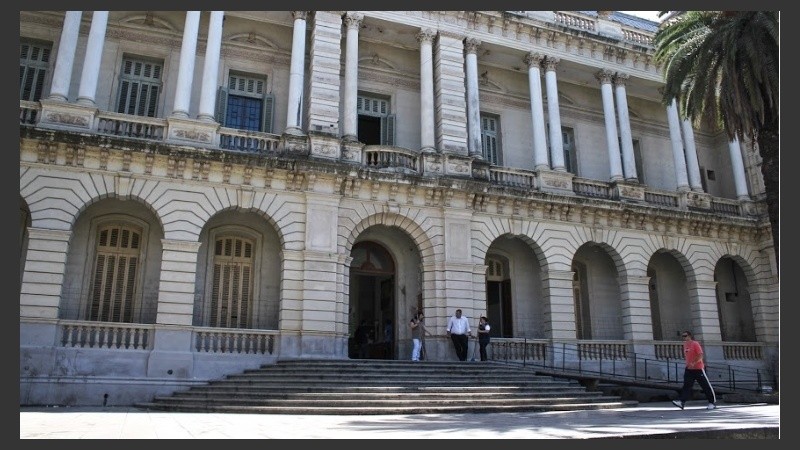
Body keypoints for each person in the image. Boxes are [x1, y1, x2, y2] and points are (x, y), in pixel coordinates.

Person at [672, 330, 717, 410]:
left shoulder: (695, 344)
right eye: (683, 336)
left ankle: (712, 403)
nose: (684, 337)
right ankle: (681, 402)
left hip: (698, 369)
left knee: (705, 385)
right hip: (689, 369)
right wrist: (689, 364)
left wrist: (694, 362)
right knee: (686, 385)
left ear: (689, 336)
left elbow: (700, 355)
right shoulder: (685, 345)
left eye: (685, 336)